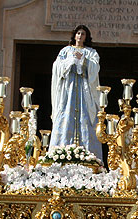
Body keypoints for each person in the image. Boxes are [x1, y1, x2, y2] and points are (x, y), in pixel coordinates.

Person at [50, 24, 102, 159]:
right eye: (78, 33)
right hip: (68, 90)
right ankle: (60, 154)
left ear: (86, 37)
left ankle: (89, 157)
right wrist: (70, 61)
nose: (80, 36)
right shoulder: (65, 51)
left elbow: (95, 68)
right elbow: (57, 67)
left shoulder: (91, 52)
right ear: (74, 35)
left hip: (85, 92)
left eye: (83, 34)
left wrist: (83, 60)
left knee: (86, 120)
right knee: (65, 116)